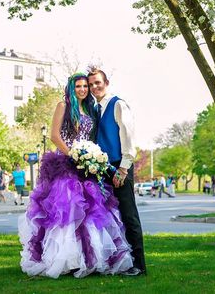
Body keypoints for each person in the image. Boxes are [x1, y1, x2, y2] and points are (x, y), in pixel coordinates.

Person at [18, 72, 133, 279]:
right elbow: (54, 135)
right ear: (72, 88)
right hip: (66, 164)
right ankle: (65, 259)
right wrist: (73, 154)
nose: (83, 89)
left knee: (91, 212)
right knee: (67, 212)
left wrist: (88, 158)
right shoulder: (64, 106)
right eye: (79, 86)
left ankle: (88, 258)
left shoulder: (90, 108)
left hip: (85, 166)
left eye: (85, 86)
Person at [88, 68, 146, 276]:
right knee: (112, 218)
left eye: (98, 83)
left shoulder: (118, 104)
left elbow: (129, 139)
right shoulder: (96, 109)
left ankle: (139, 265)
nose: (94, 87)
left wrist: (122, 169)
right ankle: (120, 262)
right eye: (91, 84)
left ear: (106, 82)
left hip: (119, 167)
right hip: (103, 170)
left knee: (129, 216)